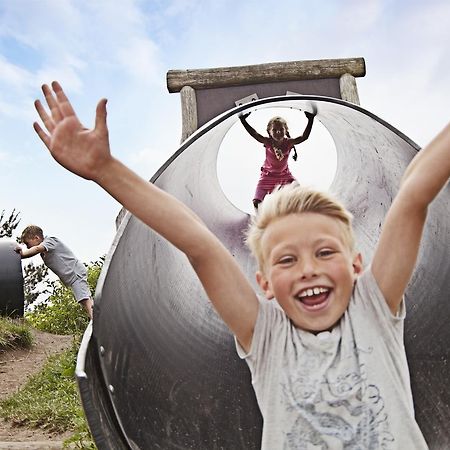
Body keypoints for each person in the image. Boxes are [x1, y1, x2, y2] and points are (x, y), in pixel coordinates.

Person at [32, 81, 449, 449]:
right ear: (263, 283)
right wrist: (106, 170)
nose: (308, 268)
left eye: (324, 252)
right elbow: (198, 243)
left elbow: (411, 196)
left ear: (357, 263)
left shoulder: (373, 309)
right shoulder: (265, 336)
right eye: (287, 259)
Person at [240, 111, 315, 209]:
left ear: (286, 130)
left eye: (281, 129)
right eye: (274, 130)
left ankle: (296, 213)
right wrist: (243, 120)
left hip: (285, 176)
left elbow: (304, 137)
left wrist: (310, 119)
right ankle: (265, 220)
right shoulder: (267, 142)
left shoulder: (289, 142)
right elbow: (255, 134)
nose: (278, 132)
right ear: (269, 132)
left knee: (301, 195)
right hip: (267, 176)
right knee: (256, 202)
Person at [16, 225, 93, 319]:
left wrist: (22, 255)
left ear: (36, 238)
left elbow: (36, 249)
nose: (27, 247)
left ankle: (95, 320)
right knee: (84, 298)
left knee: (84, 298)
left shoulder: (51, 241)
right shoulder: (44, 252)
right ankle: (96, 316)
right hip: (72, 277)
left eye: (28, 244)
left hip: (75, 273)